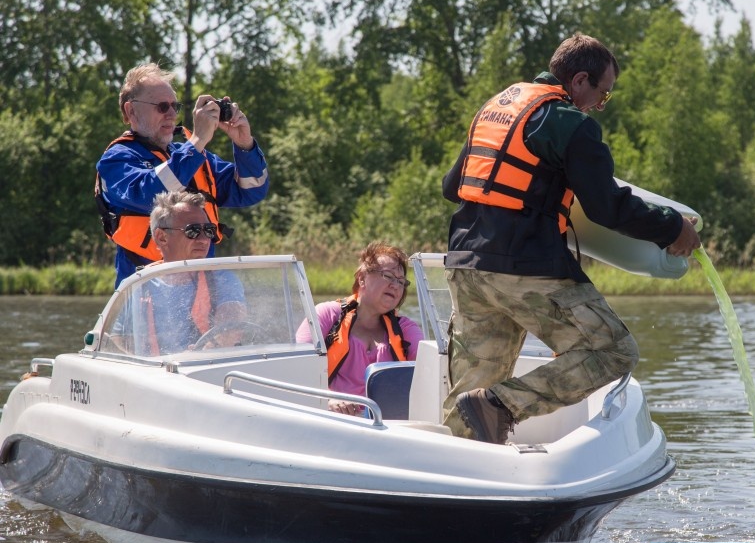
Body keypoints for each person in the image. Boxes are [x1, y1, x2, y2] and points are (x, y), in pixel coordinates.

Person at [441, 33, 701, 444]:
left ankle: (453, 477)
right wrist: (673, 228)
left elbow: (452, 185)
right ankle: (503, 405)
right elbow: (607, 207)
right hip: (525, 270)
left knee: (470, 397)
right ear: (580, 80)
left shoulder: (496, 108)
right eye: (603, 93)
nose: (600, 105)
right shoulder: (572, 125)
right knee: (614, 350)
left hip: (464, 267)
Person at [96, 62, 270, 287]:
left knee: (231, 287)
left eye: (174, 107)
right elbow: (152, 194)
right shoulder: (117, 160)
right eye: (161, 106)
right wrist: (197, 142)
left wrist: (244, 143)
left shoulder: (193, 156)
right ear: (131, 111)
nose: (171, 115)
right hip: (145, 301)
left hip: (202, 298)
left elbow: (251, 190)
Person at [111, 190, 248, 355]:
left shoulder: (222, 279)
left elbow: (231, 324)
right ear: (162, 237)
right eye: (193, 230)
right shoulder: (140, 283)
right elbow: (118, 338)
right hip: (155, 374)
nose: (204, 239)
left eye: (209, 230)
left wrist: (208, 350)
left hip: (206, 368)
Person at [296, 242, 424, 414]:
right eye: (388, 276)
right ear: (362, 278)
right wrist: (327, 399)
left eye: (401, 282)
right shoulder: (326, 314)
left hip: (388, 426)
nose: (396, 286)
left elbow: (428, 371)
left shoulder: (406, 329)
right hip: (332, 420)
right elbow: (299, 367)